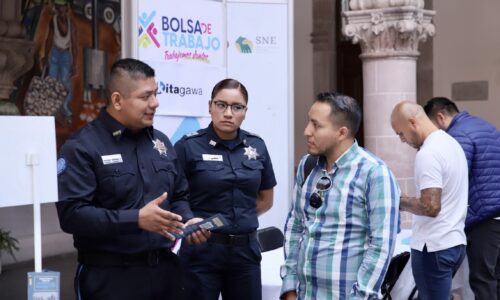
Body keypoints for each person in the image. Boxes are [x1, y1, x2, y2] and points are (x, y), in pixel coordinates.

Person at [56, 58, 209, 300]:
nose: (155, 103)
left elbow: (179, 195)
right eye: (145, 96)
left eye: (156, 94)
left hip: (166, 273)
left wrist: (187, 221)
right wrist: (136, 219)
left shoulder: (161, 143)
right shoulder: (82, 147)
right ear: (117, 100)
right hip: (111, 278)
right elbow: (72, 215)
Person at [280, 92, 400, 299]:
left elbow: (381, 247)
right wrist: (289, 286)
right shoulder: (307, 166)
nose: (306, 131)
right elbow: (295, 225)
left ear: (341, 132)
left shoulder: (374, 173)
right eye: (309, 122)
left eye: (316, 125)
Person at [174, 78, 277, 300]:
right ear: (210, 106)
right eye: (221, 105)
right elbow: (174, 196)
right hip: (202, 250)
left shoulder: (257, 145)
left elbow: (266, 199)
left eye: (237, 107)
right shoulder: (188, 146)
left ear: (245, 111)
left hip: (245, 252)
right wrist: (189, 220)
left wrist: (237, 217)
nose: (228, 113)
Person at [424, 97, 500, 300]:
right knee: (495, 278)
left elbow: (454, 178)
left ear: (440, 117)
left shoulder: (456, 135)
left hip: (484, 218)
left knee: (483, 281)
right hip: (495, 213)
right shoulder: (486, 126)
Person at [391, 101, 468, 300]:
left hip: (434, 247)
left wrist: (399, 200)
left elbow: (430, 206)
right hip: (454, 242)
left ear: (412, 122)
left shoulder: (428, 153)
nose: (402, 140)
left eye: (400, 133)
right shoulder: (451, 143)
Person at [44, 0, 77, 126]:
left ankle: (65, 110)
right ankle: (52, 109)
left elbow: (74, 45)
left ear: (66, 8)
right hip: (55, 53)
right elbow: (49, 39)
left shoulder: (71, 24)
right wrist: (45, 56)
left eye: (62, 7)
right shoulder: (53, 21)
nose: (61, 10)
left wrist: (74, 63)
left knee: (65, 83)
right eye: (58, 8)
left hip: (65, 55)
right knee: (52, 80)